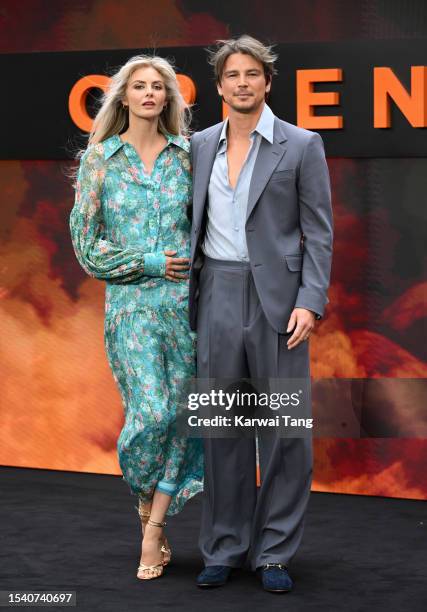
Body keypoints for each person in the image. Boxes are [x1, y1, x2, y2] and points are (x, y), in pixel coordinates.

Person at [189, 35, 333, 592]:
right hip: (217, 294)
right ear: (220, 86)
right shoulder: (201, 144)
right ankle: (224, 548)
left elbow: (319, 232)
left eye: (252, 74)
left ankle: (273, 552)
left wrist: (310, 301)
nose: (242, 83)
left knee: (284, 432)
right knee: (222, 429)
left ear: (268, 82)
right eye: (232, 75)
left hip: (279, 302)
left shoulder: (301, 144)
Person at [69, 54, 203, 581]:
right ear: (123, 97)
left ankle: (155, 527)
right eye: (139, 86)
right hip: (131, 312)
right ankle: (146, 508)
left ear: (169, 99)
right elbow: (86, 247)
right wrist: (143, 262)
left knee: (181, 415)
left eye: (158, 87)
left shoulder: (188, 156)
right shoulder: (100, 159)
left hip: (186, 309)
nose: (149, 94)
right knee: (150, 414)